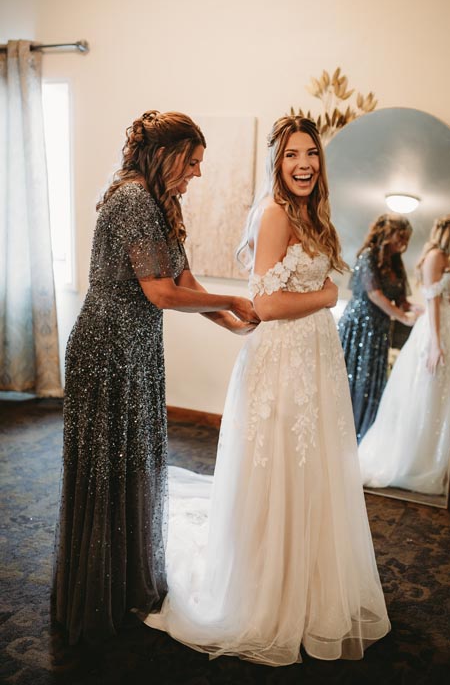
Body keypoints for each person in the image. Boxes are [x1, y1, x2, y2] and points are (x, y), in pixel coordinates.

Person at [144, 115, 390, 665]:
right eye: (291, 155)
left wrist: (325, 295)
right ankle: (267, 592)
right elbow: (266, 303)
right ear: (277, 165)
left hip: (316, 358)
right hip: (281, 361)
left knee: (314, 470)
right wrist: (328, 296)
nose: (303, 164)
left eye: (311, 154)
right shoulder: (276, 213)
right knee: (280, 468)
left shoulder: (312, 211)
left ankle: (312, 587)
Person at [52, 110, 258, 645]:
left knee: (133, 462)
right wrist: (233, 298)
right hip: (106, 346)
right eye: (192, 162)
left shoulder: (161, 203)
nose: (196, 173)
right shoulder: (131, 198)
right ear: (166, 155)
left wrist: (232, 324)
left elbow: (183, 280)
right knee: (107, 468)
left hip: (137, 346)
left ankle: (122, 582)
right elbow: (162, 294)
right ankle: (101, 591)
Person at [358, 214, 450, 495]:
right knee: (426, 390)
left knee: (441, 392)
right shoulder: (435, 256)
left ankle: (433, 458)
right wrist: (435, 342)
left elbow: (444, 297)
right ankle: (413, 463)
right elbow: (433, 302)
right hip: (436, 331)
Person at [337, 214, 418, 441]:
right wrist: (403, 318)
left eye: (406, 239)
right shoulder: (368, 256)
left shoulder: (397, 264)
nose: (403, 243)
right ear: (387, 234)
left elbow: (402, 301)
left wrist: (422, 311)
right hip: (359, 327)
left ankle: (362, 439)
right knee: (353, 380)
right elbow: (375, 294)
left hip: (380, 331)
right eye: (400, 237)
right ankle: (341, 437)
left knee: (371, 383)